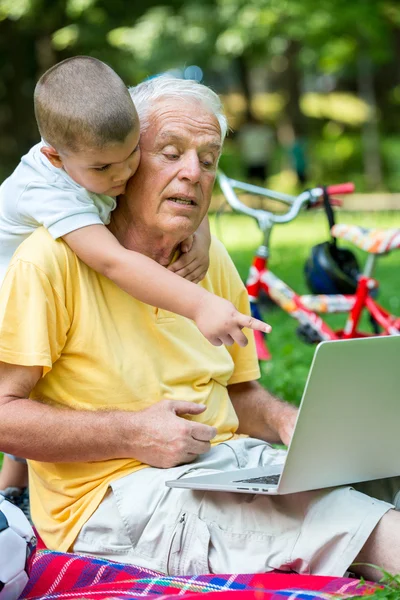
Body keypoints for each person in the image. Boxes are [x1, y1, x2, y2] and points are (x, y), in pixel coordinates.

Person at [0, 76, 399, 582]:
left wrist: (285, 422)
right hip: (113, 499)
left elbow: (238, 392)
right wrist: (132, 432)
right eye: (170, 153)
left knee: (380, 472)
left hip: (228, 465)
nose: (193, 173)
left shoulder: (204, 259)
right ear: (125, 162)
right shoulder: (50, 260)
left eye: (208, 160)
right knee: (344, 521)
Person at [0, 58, 270, 512]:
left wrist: (198, 234)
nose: (122, 177)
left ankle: (15, 491)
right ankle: (14, 494)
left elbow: (184, 188)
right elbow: (114, 261)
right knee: (26, 382)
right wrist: (200, 303)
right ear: (55, 157)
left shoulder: (92, 159)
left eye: (132, 159)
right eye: (165, 153)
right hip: (10, 288)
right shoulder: (51, 194)